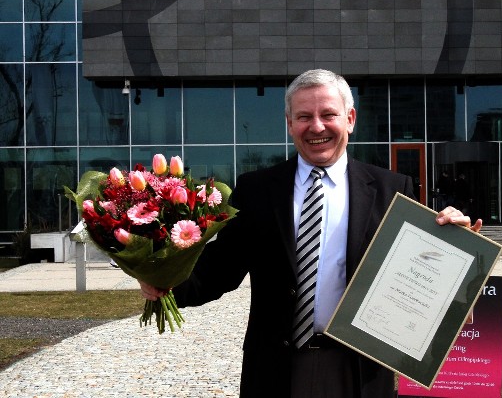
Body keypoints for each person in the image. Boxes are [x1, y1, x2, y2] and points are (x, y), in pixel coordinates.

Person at [139, 69, 482, 398]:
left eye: (328, 114)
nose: (316, 126)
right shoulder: (257, 190)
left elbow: (415, 278)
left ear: (350, 118)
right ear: (289, 124)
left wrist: (456, 251)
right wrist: (160, 276)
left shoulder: (392, 190)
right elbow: (219, 270)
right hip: (277, 367)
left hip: (360, 367)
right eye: (304, 116)